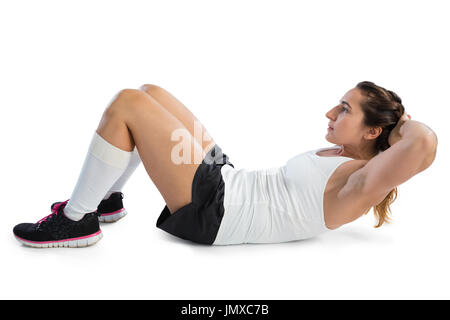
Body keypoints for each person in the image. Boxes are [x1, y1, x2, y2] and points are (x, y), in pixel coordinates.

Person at [12, 81, 438, 248]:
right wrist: (389, 125)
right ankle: (106, 200)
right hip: (228, 179)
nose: (330, 113)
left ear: (372, 132)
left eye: (344, 110)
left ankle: (76, 220)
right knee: (150, 93)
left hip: (216, 212)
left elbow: (424, 145)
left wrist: (400, 122)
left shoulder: (359, 184)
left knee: (128, 105)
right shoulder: (346, 155)